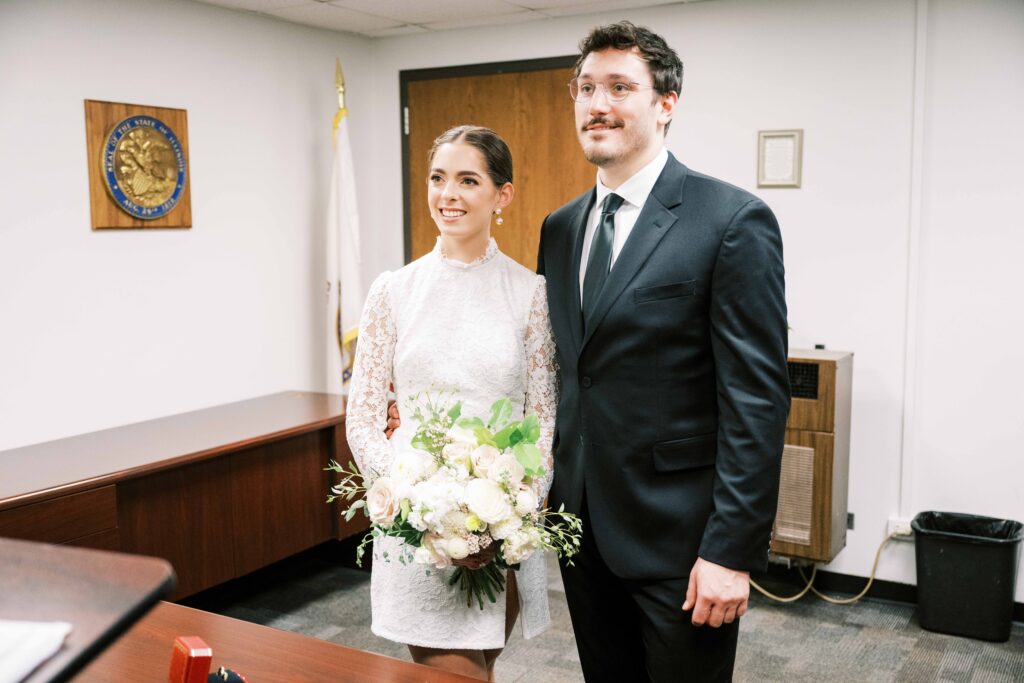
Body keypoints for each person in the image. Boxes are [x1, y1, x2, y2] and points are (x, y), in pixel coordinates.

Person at [535, 21, 790, 682]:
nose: (598, 104)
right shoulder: (560, 229)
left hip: (683, 543)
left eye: (620, 86)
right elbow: (572, 373)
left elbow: (755, 400)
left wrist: (731, 551)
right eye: (586, 87)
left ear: (666, 103)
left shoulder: (730, 220)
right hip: (581, 530)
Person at [345, 125, 557, 681]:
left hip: (502, 532)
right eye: (439, 179)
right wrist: (424, 513)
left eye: (468, 180)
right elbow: (364, 422)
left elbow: (542, 421)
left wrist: (510, 518)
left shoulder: (530, 294)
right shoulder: (393, 292)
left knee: (479, 667)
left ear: (501, 195)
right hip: (419, 534)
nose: (449, 195)